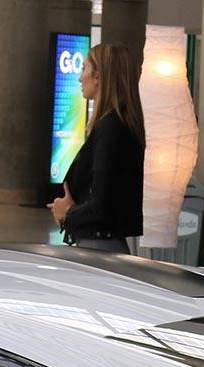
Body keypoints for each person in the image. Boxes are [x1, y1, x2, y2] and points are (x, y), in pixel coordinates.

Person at [48, 44, 144, 253]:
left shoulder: (110, 127)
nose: (80, 78)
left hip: (99, 246)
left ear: (98, 76)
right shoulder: (120, 124)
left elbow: (101, 204)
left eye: (84, 69)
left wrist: (68, 213)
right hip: (103, 244)